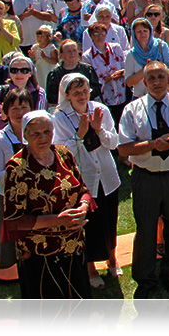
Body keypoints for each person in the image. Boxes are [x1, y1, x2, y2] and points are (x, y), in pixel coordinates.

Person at [117, 61, 169, 298]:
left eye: (160, 77)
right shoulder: (132, 110)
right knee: (145, 229)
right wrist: (153, 144)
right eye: (151, 78)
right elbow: (123, 149)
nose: (156, 82)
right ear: (144, 82)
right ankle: (145, 280)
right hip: (146, 178)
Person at [2, 111, 94, 298]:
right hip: (39, 254)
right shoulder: (17, 167)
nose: (43, 138)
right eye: (36, 133)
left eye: (47, 132)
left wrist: (83, 208)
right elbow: (14, 220)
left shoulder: (63, 153)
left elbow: (83, 190)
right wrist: (59, 220)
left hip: (73, 245)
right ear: (25, 135)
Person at [52, 73, 120, 290]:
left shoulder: (101, 110)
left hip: (107, 176)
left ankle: (112, 259)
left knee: (110, 220)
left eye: (85, 91)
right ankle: (90, 268)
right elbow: (61, 153)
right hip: (83, 180)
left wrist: (99, 129)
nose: (82, 96)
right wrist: (79, 136)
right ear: (67, 95)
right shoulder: (60, 118)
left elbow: (114, 143)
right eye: (76, 93)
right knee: (88, 225)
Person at [0, 89, 31, 269]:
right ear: (5, 112)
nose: (20, 113)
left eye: (24, 107)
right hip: (11, 200)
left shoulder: (40, 134)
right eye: (14, 108)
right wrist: (20, 168)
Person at [0, 54, 47, 133]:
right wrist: (3, 117)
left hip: (30, 139)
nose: (19, 74)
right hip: (4, 139)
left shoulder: (39, 93)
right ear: (9, 73)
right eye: (14, 70)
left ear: (30, 73)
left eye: (24, 70)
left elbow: (40, 122)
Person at [125, 18, 169, 99]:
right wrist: (146, 69)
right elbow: (129, 82)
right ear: (134, 34)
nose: (142, 34)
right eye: (139, 32)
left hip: (162, 95)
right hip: (140, 97)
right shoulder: (131, 54)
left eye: (145, 31)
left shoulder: (161, 46)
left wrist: (156, 66)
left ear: (150, 32)